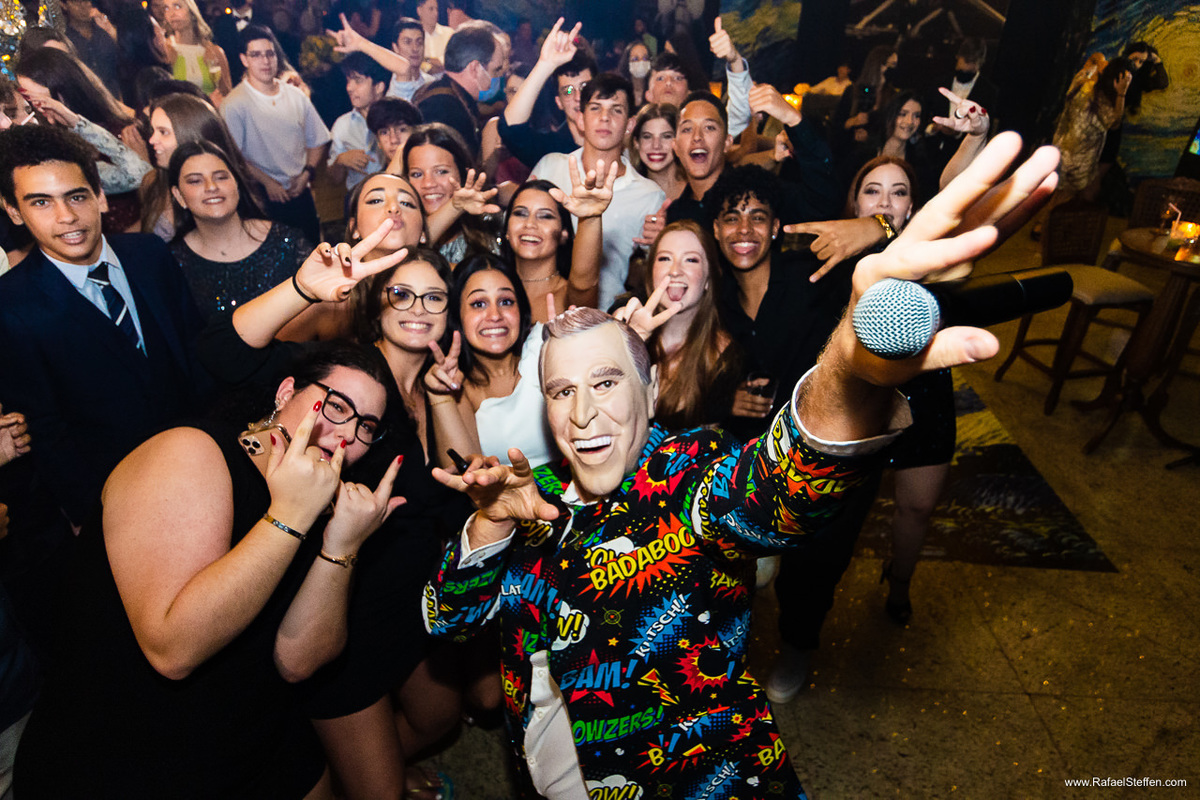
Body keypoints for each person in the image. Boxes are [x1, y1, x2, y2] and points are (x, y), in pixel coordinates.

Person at [418, 128, 1061, 799]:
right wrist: (488, 527)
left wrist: (847, 366)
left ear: (650, 389)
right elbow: (448, 622)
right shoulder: (531, 495)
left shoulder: (694, 472)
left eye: (606, 383)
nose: (581, 414)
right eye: (561, 392)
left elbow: (782, 485)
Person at [14, 341, 407, 797]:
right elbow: (174, 650)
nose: (346, 435)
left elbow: (300, 662)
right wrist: (291, 517)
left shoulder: (319, 500)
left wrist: (343, 544)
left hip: (252, 736)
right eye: (337, 406)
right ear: (285, 392)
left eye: (366, 427)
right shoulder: (190, 453)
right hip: (126, 754)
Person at [0, 123, 209, 530]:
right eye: (41, 203)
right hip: (117, 503)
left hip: (201, 462)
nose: (66, 217)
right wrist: (93, 516)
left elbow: (195, 352)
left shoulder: (149, 254)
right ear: (14, 212)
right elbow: (45, 430)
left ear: (100, 197)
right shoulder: (10, 306)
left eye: (76, 196)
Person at [532, 73, 666, 310]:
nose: (605, 118)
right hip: (542, 311)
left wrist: (660, 243)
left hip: (608, 318)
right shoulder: (550, 166)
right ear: (581, 119)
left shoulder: (649, 195)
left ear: (630, 125)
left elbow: (654, 273)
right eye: (595, 108)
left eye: (616, 110)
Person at [423, 253, 560, 469]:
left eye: (506, 302)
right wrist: (441, 396)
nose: (495, 315)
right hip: (509, 501)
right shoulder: (455, 384)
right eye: (478, 304)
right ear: (457, 315)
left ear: (521, 308)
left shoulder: (546, 346)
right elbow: (466, 476)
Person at [167, 140, 311, 320]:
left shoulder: (287, 242)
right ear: (179, 196)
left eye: (221, 177)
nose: (211, 187)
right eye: (195, 181)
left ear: (236, 184)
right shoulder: (172, 263)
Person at [15, 47, 148, 234]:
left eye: (39, 101)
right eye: (28, 103)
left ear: (62, 92)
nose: (35, 110)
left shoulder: (118, 130)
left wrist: (75, 121)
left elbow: (138, 176)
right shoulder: (54, 146)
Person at [222, 24, 331, 245]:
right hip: (261, 198)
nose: (265, 61)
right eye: (256, 55)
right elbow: (233, 157)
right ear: (244, 59)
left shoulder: (295, 95)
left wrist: (306, 174)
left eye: (270, 54)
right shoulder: (234, 104)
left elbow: (317, 140)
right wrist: (268, 183)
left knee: (312, 251)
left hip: (299, 190)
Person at [636, 219, 741, 430]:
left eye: (691, 260)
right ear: (651, 273)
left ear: (708, 279)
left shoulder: (724, 358)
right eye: (665, 258)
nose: (675, 271)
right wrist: (629, 341)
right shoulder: (622, 324)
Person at [502, 166, 613, 322]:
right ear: (507, 228)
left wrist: (590, 217)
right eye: (520, 213)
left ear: (563, 233)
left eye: (545, 216)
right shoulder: (487, 286)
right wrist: (455, 207)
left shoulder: (569, 297)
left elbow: (584, 284)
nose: (530, 224)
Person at [142, 91, 245, 240]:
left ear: (190, 137)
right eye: (153, 131)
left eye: (163, 132)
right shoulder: (154, 181)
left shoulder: (221, 191)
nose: (152, 140)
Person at [497, 19, 597, 169]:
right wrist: (545, 64)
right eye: (568, 91)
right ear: (558, 102)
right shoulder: (551, 151)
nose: (578, 97)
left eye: (584, 87)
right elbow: (511, 130)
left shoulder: (616, 142)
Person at [399, 122, 499, 266]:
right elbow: (409, 249)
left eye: (441, 172)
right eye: (417, 174)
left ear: (462, 173)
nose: (428, 183)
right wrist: (454, 207)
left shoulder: (491, 227)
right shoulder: (397, 226)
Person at [412, 22, 503, 159]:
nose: (499, 77)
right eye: (496, 70)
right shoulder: (446, 110)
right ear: (475, 68)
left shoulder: (437, 92)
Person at [327, 52, 390, 192]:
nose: (349, 87)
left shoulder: (395, 119)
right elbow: (335, 180)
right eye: (348, 81)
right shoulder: (342, 125)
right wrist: (341, 160)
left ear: (379, 87)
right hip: (358, 199)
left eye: (358, 80)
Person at [161, 0, 234, 101]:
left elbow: (227, 94)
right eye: (166, 8)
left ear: (192, 11)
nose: (171, 13)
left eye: (177, 6)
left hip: (209, 114)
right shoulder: (165, 50)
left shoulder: (214, 51)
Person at [60, 0, 122, 100]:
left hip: (113, 99)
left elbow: (119, 71)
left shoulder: (104, 32)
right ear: (64, 5)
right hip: (85, 103)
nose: (83, 6)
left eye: (86, 1)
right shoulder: (65, 40)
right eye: (76, 2)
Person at [630, 102, 685, 202]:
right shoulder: (627, 193)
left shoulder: (695, 190)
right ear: (636, 142)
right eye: (647, 137)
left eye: (666, 136)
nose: (656, 146)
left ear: (678, 141)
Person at [366, 95, 422, 166]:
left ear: (416, 133)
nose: (394, 140)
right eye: (384, 132)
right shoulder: (375, 177)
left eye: (402, 130)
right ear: (378, 141)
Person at [415, 0, 454, 72]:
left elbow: (452, 61)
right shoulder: (414, 37)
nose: (435, 13)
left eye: (437, 9)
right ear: (419, 11)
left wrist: (426, 59)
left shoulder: (449, 33)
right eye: (431, 9)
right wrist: (428, 68)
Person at [616, 39, 652, 108]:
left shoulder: (654, 90)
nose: (641, 62)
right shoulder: (620, 91)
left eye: (645, 58)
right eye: (635, 59)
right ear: (627, 63)